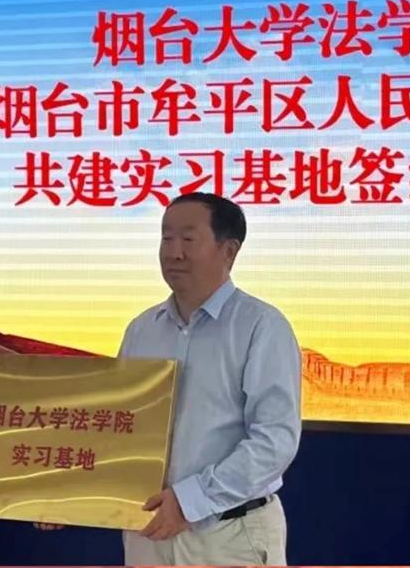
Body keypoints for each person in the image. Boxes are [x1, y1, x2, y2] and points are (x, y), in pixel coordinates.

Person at [118, 193, 302, 565]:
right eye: (166, 238)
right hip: (148, 531)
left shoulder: (261, 326)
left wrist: (191, 500)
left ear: (229, 250)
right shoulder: (142, 329)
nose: (174, 252)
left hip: (229, 534)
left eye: (188, 239)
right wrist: (67, 494)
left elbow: (275, 440)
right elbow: (119, 424)